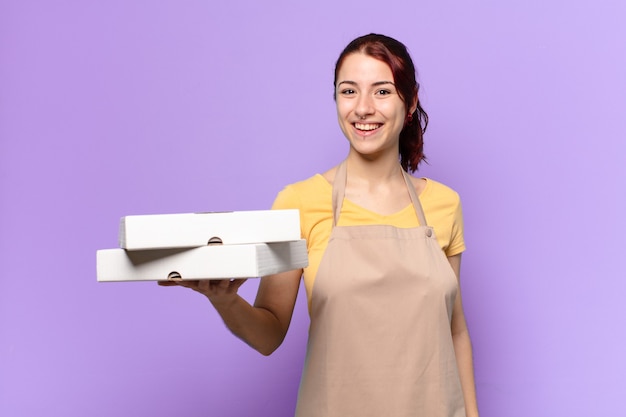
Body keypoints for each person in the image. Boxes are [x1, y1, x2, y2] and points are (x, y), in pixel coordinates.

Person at [161, 33, 479, 417]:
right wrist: (225, 299)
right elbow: (269, 335)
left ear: (409, 103)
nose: (363, 108)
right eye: (349, 91)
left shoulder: (444, 205)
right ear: (335, 99)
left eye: (381, 92)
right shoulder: (299, 202)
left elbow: (455, 330)